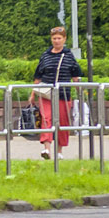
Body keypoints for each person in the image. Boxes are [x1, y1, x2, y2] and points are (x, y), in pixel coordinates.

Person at [33, 26, 82, 160]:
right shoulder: (45, 55)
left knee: (62, 122)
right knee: (46, 119)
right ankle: (47, 149)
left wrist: (80, 91)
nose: (56, 41)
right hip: (46, 94)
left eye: (59, 38)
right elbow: (38, 75)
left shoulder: (69, 56)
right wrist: (32, 94)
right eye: (54, 38)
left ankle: (59, 151)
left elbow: (75, 76)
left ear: (64, 39)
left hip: (63, 94)